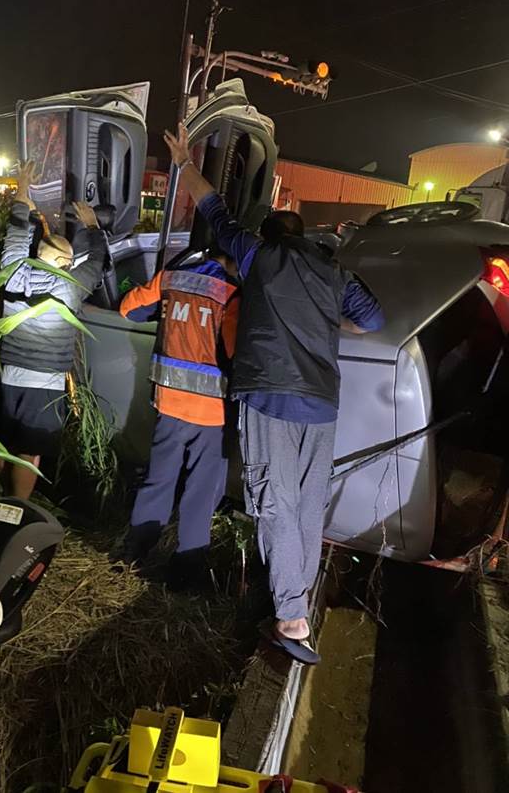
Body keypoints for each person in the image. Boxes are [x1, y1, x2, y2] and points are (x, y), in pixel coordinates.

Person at [164, 123, 385, 661]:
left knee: (275, 503)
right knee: (308, 506)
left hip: (270, 398)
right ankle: (296, 602)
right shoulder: (332, 270)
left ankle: (289, 617)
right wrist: (333, 325)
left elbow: (214, 210)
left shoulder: (258, 255)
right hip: (321, 402)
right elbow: (374, 319)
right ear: (304, 235)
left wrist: (182, 162)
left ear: (267, 234)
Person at [116, 247, 240, 591]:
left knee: (159, 479)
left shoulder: (171, 278)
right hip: (210, 411)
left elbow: (129, 309)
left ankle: (134, 553)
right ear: (230, 262)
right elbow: (234, 350)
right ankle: (186, 572)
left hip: (169, 403)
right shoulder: (230, 294)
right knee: (200, 490)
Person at [0, 160, 108, 499]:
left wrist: (23, 193)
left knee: (2, 444)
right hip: (45, 384)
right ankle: (15, 509)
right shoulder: (70, 286)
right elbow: (98, 262)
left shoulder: (14, 273)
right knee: (29, 453)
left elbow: (15, 236)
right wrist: (92, 226)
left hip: (9, 376)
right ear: (65, 264)